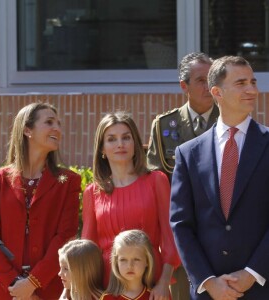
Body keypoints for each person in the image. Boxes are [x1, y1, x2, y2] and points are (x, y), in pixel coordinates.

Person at [170, 56, 269, 299]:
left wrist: (251, 273)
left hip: (261, 287)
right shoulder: (188, 153)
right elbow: (181, 224)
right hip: (208, 292)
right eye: (241, 83)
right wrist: (207, 281)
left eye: (253, 82)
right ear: (217, 92)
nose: (252, 90)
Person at [0, 102, 81, 300]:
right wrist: (16, 286)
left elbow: (65, 238)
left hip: (50, 291)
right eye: (49, 122)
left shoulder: (69, 182)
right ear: (27, 130)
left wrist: (33, 283)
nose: (57, 129)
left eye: (59, 124)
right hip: (7, 292)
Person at [82, 111, 180, 300]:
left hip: (152, 284)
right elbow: (89, 249)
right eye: (111, 139)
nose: (120, 144)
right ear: (102, 148)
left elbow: (171, 237)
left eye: (126, 137)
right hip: (107, 287)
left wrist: (163, 282)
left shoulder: (156, 181)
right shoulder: (92, 192)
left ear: (135, 143)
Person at [147, 52, 219, 300]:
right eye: (201, 80)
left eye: (212, 78)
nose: (208, 86)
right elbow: (155, 183)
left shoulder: (231, 121)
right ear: (184, 86)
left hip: (221, 235)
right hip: (181, 237)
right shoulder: (165, 126)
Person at [101, 229, 155, 300]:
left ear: (147, 261)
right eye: (123, 260)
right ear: (116, 262)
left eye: (136, 259)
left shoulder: (155, 296)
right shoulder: (107, 298)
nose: (129, 266)